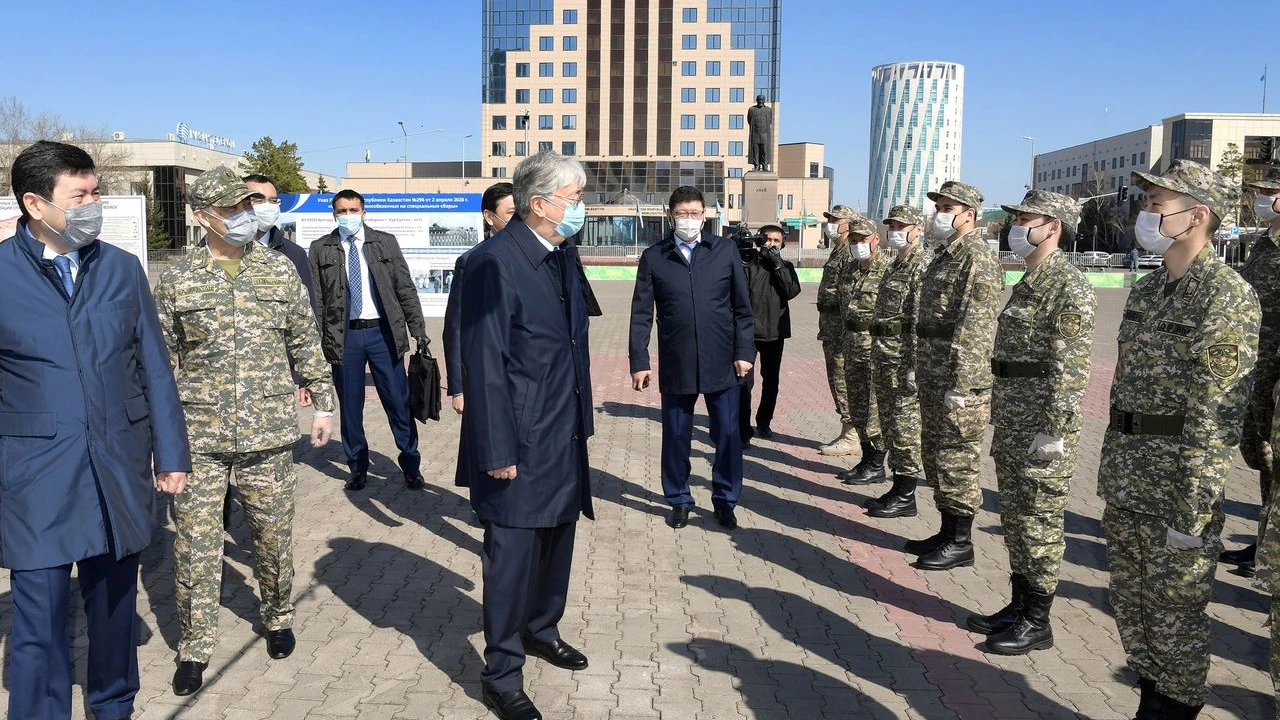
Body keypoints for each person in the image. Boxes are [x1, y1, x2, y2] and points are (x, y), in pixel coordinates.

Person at [0, 140, 191, 720]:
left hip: (117, 466)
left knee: (111, 609)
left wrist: (172, 454)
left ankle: (113, 705)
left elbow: (153, 367)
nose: (93, 204)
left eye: (95, 192)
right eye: (79, 195)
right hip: (36, 476)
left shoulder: (121, 268)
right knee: (38, 619)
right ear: (36, 203)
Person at [153, 166, 335, 696]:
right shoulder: (179, 281)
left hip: (269, 434)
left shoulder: (280, 272)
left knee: (273, 540)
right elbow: (160, 366)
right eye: (233, 209)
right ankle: (194, 646)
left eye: (248, 205)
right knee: (195, 546)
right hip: (199, 438)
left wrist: (323, 404)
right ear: (203, 216)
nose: (245, 215)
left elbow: (306, 343)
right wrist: (159, 442)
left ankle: (278, 616)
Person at [1099, 160, 1258, 718]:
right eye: (1145, 203)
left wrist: (1192, 510)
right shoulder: (1148, 290)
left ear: (1198, 216)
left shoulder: (1226, 296)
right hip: (1129, 474)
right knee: (1135, 608)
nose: (1144, 213)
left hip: (1176, 485)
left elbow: (1217, 416)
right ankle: (1151, 702)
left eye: (1157, 205)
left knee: (1177, 616)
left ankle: (1175, 707)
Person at [457, 152, 594, 720]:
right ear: (540, 204)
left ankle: (542, 628)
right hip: (517, 439)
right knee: (511, 557)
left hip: (562, 431)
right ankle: (502, 673)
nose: (581, 209)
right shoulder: (493, 263)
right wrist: (496, 450)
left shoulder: (559, 252)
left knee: (557, 541)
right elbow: (484, 363)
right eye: (574, 198)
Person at [966, 190, 1095, 656]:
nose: (1016, 224)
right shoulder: (1029, 280)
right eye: (1016, 217)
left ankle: (1038, 620)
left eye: (1026, 218)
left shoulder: (1068, 285)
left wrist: (1054, 431)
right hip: (1014, 421)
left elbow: (1070, 367)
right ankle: (1020, 605)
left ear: (1053, 226)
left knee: (1039, 522)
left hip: (1042, 428)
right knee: (1018, 520)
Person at [630, 185, 755, 530]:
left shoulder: (725, 251)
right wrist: (639, 360)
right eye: (682, 213)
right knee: (676, 436)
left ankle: (726, 499)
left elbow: (743, 310)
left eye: (695, 213)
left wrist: (745, 352)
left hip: (723, 361)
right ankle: (679, 499)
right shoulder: (655, 257)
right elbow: (641, 313)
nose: (689, 220)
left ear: (705, 215)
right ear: (671, 216)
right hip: (677, 360)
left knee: (728, 435)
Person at [906, 180, 1003, 571]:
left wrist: (962, 384)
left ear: (970, 214)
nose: (940, 213)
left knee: (957, 458)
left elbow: (975, 327)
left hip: (957, 378)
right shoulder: (945, 255)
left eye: (948, 207)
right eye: (939, 206)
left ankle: (961, 541)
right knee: (935, 454)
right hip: (934, 370)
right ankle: (947, 532)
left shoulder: (976, 257)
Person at [309, 189, 430, 491]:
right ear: (333, 213)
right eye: (341, 211)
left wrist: (418, 330)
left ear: (364, 211)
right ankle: (357, 466)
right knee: (351, 406)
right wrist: (317, 341)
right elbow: (317, 301)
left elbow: (404, 287)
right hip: (345, 336)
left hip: (383, 334)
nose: (347, 215)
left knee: (398, 402)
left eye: (353, 209)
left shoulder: (384, 242)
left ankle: (410, 462)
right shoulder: (321, 248)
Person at [1223, 167, 1280, 577]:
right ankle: (1264, 541)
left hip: (1276, 373)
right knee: (1263, 458)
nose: (1262, 198)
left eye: (1270, 192)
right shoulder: (1264, 243)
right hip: (1257, 368)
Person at [863, 205, 931, 518]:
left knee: (905, 428)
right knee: (891, 424)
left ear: (918, 228)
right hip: (885, 357)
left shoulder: (921, 266)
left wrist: (916, 366)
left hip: (904, 361)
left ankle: (906, 494)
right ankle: (897, 486)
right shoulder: (894, 265)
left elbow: (920, 320)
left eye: (902, 225)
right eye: (891, 225)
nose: (895, 230)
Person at [445, 182, 516, 416]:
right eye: (512, 214)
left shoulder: (545, 257)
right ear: (489, 216)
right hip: (490, 378)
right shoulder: (473, 261)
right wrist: (458, 388)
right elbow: (456, 328)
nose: (519, 221)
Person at [836, 215, 892, 484]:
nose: (857, 244)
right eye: (854, 240)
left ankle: (876, 464)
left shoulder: (887, 271)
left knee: (873, 410)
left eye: (863, 240)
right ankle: (866, 459)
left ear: (876, 239)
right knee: (857, 407)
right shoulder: (849, 270)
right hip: (851, 347)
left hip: (874, 350)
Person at [737, 224, 801, 443]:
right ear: (759, 240)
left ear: (782, 243)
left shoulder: (786, 266)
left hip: (775, 333)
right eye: (768, 240)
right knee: (744, 383)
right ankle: (742, 430)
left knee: (771, 381)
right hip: (749, 334)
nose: (772, 244)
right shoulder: (748, 264)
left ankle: (764, 422)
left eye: (777, 241)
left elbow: (791, 291)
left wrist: (777, 266)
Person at [244, 173, 319, 317]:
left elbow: (307, 314)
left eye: (273, 201)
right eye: (258, 200)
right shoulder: (223, 250)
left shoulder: (294, 254)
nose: (267, 206)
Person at [816, 205, 858, 456]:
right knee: (836, 379)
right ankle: (848, 431)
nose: (830, 224)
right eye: (829, 219)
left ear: (849, 224)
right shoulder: (838, 251)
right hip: (831, 329)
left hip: (842, 331)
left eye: (835, 220)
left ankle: (852, 435)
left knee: (843, 381)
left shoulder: (849, 253)